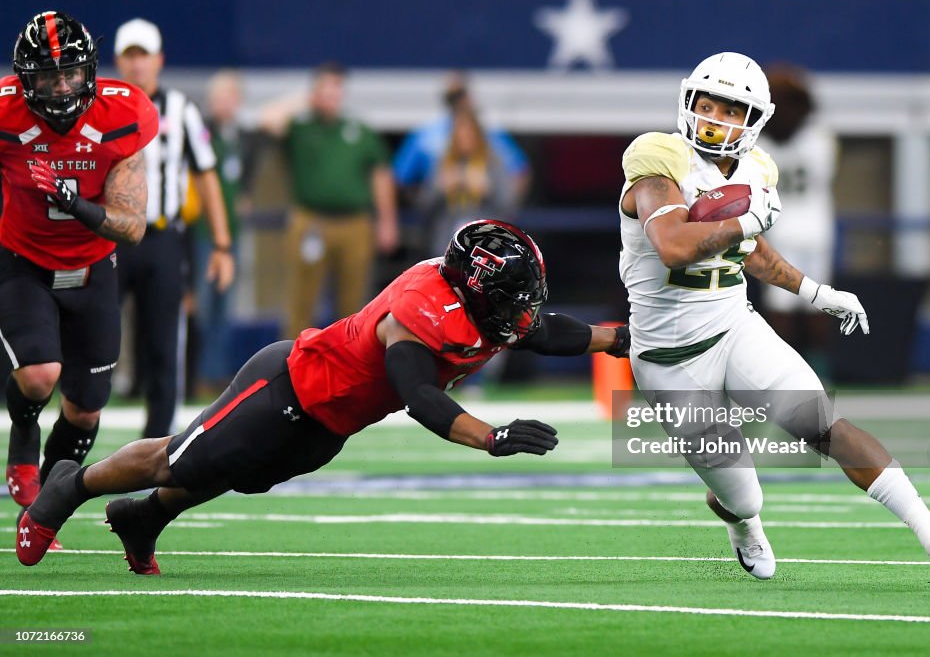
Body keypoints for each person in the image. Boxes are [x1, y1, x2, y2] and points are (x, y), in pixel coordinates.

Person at [15, 219, 630, 573]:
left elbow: (548, 331)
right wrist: (490, 437)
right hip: (288, 384)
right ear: (474, 290)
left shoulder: (486, 309)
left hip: (331, 422)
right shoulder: (421, 310)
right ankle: (72, 484)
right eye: (511, 300)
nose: (521, 315)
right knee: (181, 459)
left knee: (236, 472)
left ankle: (142, 517)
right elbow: (418, 394)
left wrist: (620, 340)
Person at [617, 51, 930, 579]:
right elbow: (672, 245)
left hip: (732, 325)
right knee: (743, 496)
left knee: (820, 424)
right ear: (689, 100)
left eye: (732, 109)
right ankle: (742, 523)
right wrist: (743, 226)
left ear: (753, 120)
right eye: (708, 103)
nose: (717, 118)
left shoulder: (759, 167)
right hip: (669, 361)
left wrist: (817, 292)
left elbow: (752, 252)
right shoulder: (657, 159)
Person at [1, 12, 157, 515]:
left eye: (70, 72)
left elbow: (131, 226)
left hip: (93, 267)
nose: (62, 85)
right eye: (48, 75)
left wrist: (76, 203)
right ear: (27, 79)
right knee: (40, 374)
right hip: (24, 259)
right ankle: (23, 430)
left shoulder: (125, 113)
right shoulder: (5, 114)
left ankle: (51, 497)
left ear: (90, 70)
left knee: (87, 408)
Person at [113, 18, 235, 439]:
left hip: (162, 237)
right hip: (109, 238)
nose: (137, 64)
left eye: (143, 54)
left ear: (159, 60)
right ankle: (78, 429)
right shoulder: (100, 106)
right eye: (129, 55)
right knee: (96, 335)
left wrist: (222, 244)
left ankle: (157, 443)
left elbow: (207, 175)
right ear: (118, 61)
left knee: (164, 342)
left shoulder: (181, 109)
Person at [262, 62, 399, 338]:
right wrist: (305, 99)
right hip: (311, 220)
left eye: (337, 87)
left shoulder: (359, 130)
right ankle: (293, 365)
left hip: (354, 223)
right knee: (302, 299)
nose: (332, 94)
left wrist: (387, 221)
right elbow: (267, 120)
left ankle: (349, 367)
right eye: (326, 87)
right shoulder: (301, 127)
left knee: (353, 302)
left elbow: (380, 175)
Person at [757, 64, 838, 376]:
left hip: (782, 228)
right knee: (816, 301)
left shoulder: (761, 143)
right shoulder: (820, 137)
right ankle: (816, 369)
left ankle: (786, 371)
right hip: (816, 228)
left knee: (783, 304)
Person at [191, 70, 258, 394]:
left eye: (230, 97)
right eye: (218, 97)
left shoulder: (240, 137)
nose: (224, 104)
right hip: (203, 234)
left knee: (225, 307)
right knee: (202, 306)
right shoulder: (201, 132)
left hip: (231, 236)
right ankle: (198, 373)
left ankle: (216, 374)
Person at [393, 72, 529, 200]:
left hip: (484, 216)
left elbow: (520, 172)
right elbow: (401, 177)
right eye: (453, 97)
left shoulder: (491, 133)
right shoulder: (426, 135)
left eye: (461, 95)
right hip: (445, 218)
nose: (459, 102)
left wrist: (501, 201)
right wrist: (429, 199)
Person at [417, 104, 521, 256]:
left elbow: (509, 203)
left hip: (484, 245)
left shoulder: (492, 163)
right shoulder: (444, 163)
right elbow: (423, 205)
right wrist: (441, 188)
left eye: (469, 135)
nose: (464, 140)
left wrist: (488, 190)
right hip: (445, 242)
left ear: (477, 135)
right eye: (460, 135)